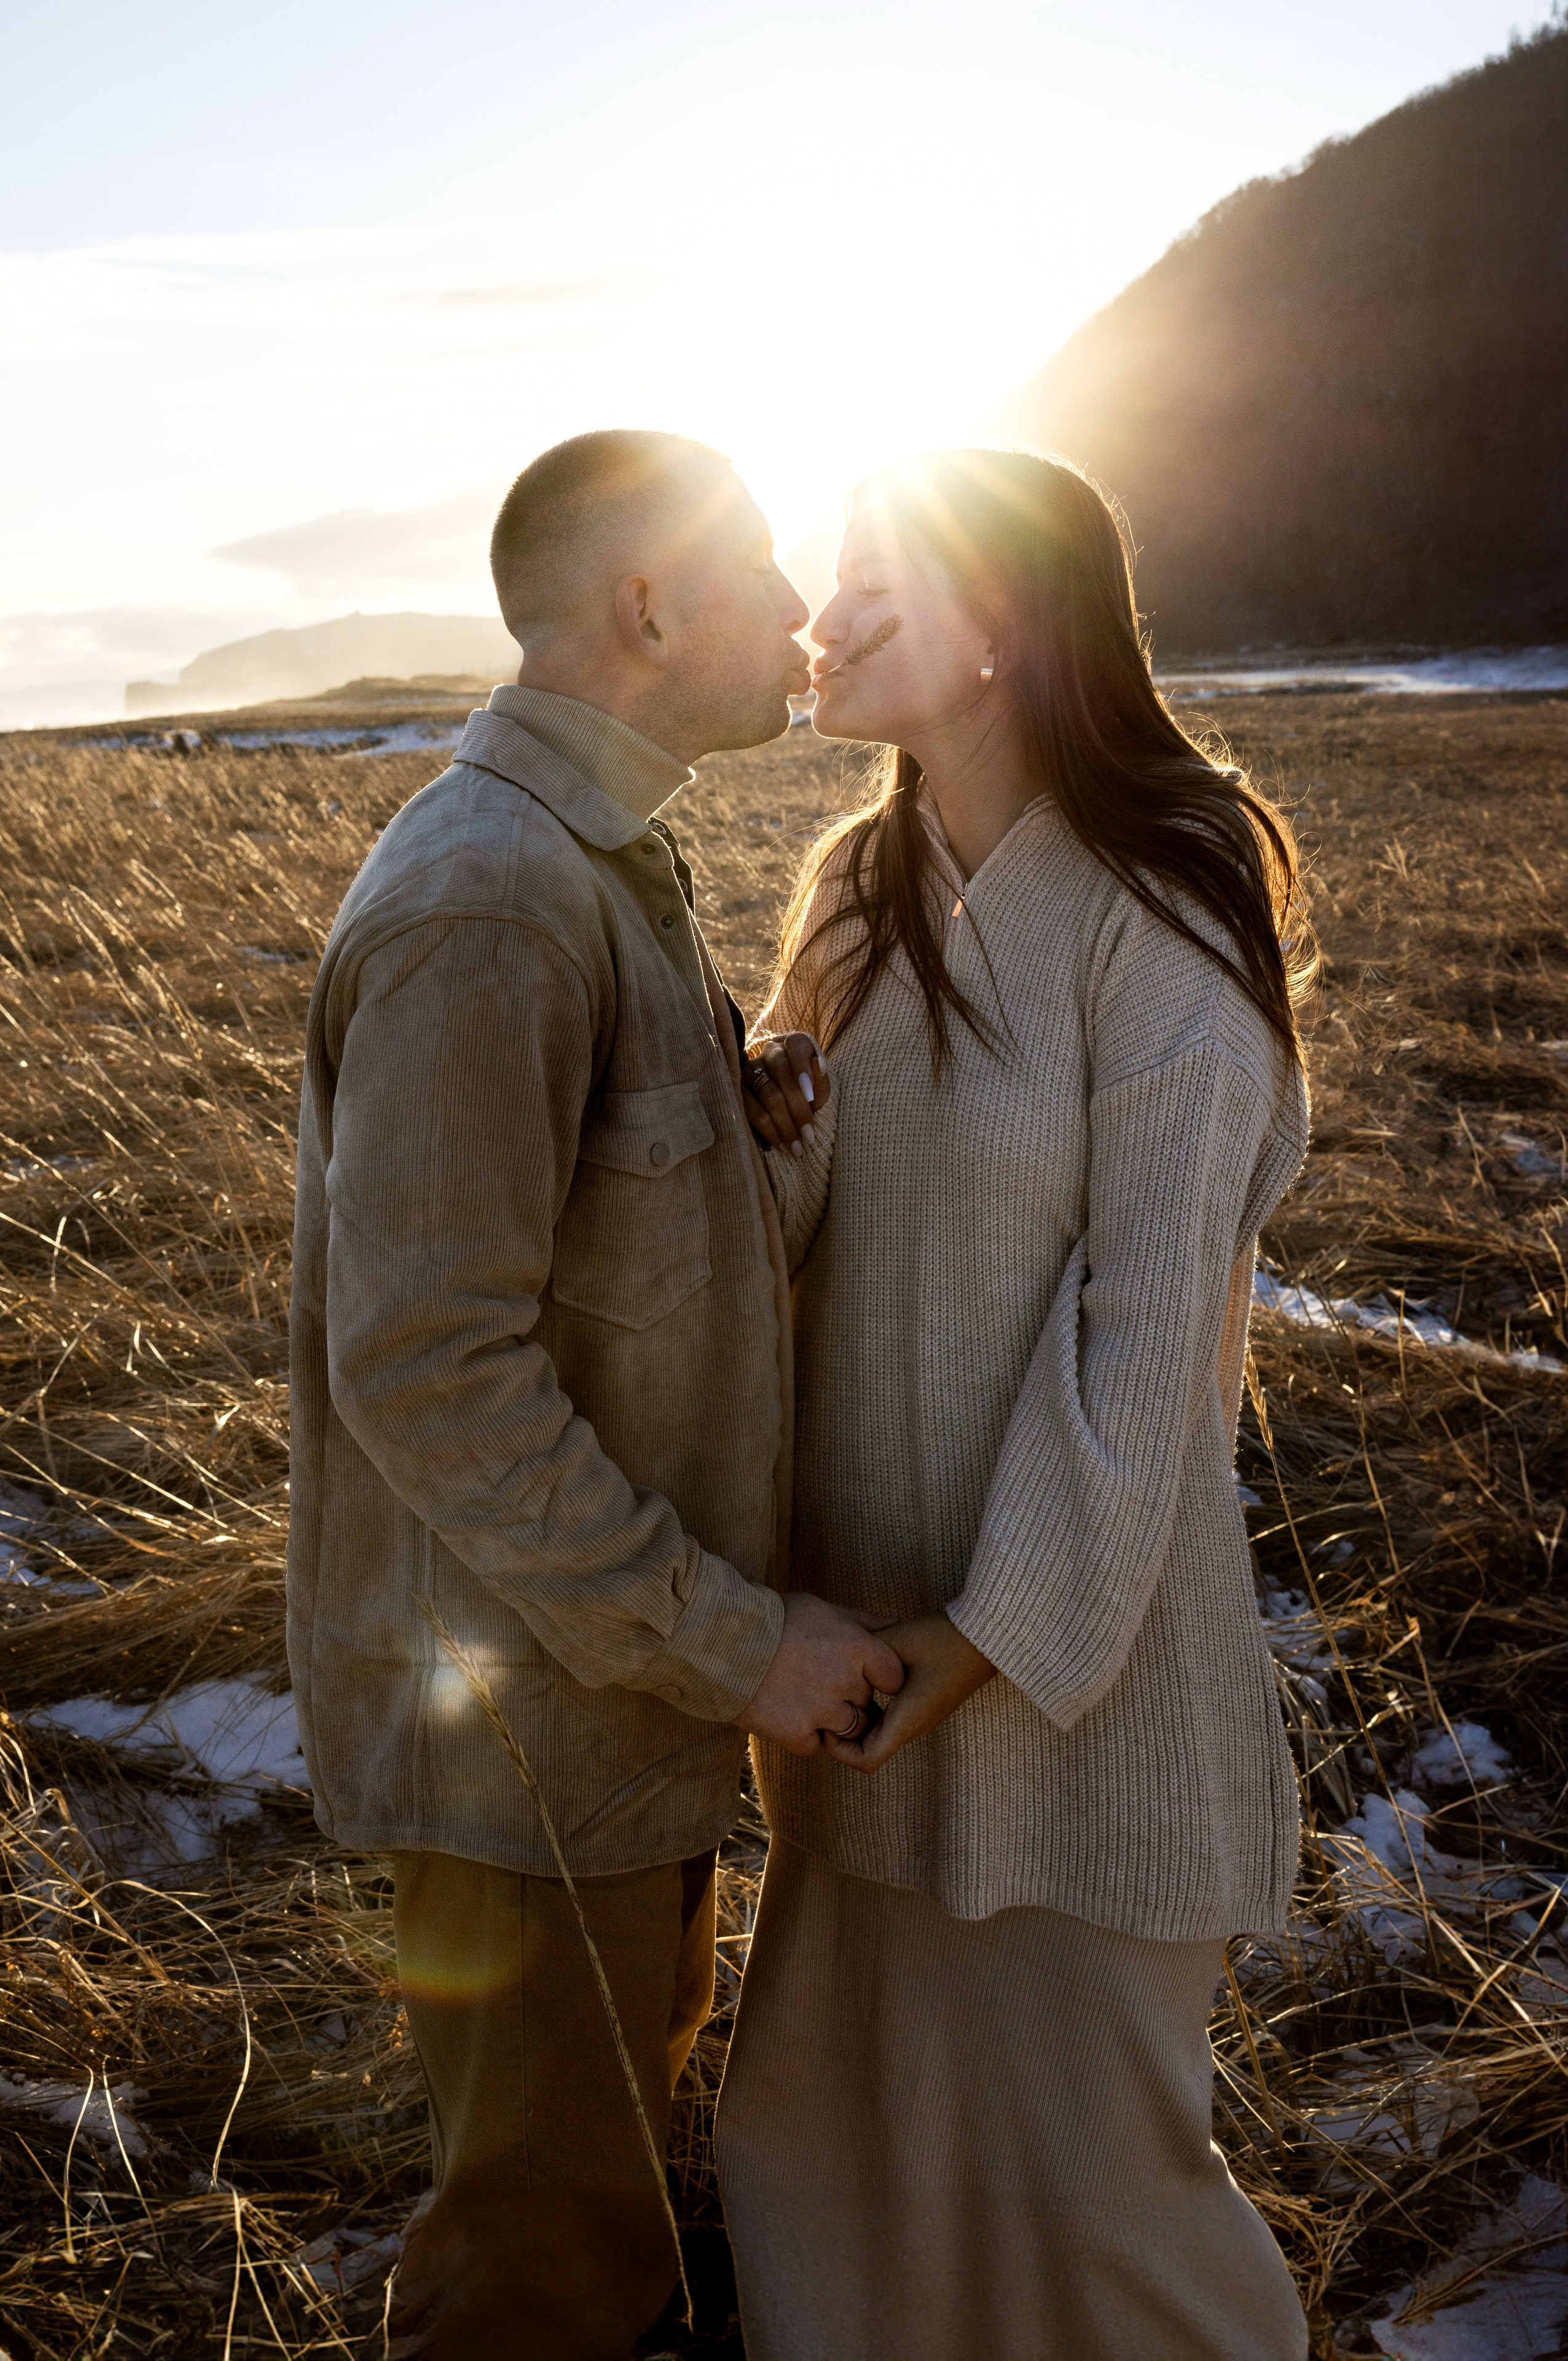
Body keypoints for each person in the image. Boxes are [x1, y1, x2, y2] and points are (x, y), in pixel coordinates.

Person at [285, 428, 902, 2361]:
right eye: (766, 567)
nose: (803, 612)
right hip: (529, 1747)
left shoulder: (606, 868)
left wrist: (759, 1143)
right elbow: (428, 1365)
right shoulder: (495, 902)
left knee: (606, 2226)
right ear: (649, 604)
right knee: (544, 2279)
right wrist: (736, 1647)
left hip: (602, 1721)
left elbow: (610, 1279)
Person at [720, 448, 1316, 2359]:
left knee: (1102, 2221)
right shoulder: (856, 888)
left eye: (873, 579)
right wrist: (767, 1126)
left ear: (1003, 624)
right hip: (859, 1668)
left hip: (1076, 1686)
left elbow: (1148, 1345)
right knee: (826, 2166)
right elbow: (799, 1240)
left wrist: (963, 1649)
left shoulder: (1167, 905)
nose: (818, 614)